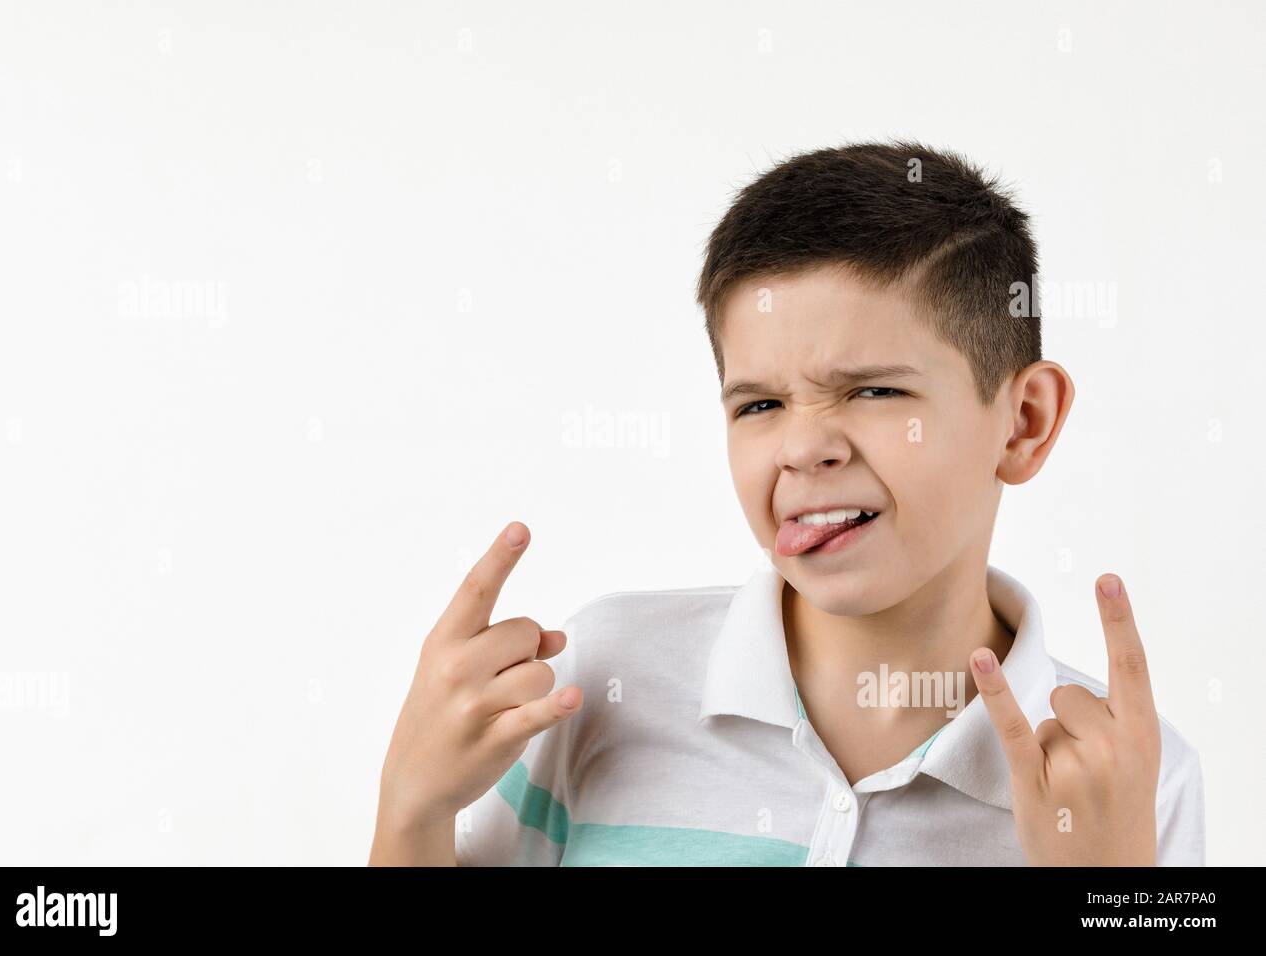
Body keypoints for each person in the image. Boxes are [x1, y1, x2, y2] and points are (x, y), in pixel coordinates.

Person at [368, 141, 1205, 866]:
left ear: (1023, 423)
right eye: (759, 405)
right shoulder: (599, 679)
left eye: (875, 390)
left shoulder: (1133, 778)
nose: (804, 448)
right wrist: (412, 811)